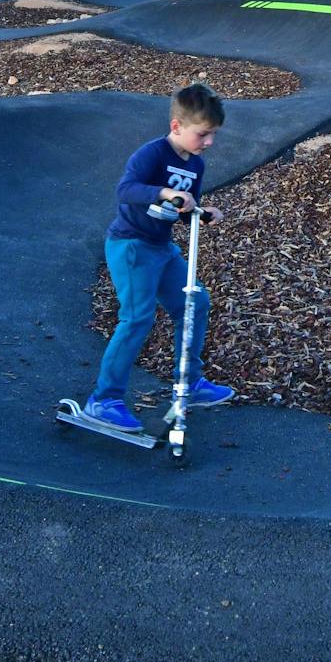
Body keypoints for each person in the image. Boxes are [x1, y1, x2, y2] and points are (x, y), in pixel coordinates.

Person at [82, 83, 236, 432]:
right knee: (137, 318)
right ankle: (104, 399)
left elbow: (183, 208)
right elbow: (126, 191)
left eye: (213, 135)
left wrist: (200, 212)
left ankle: (190, 383)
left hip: (162, 247)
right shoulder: (151, 154)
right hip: (132, 245)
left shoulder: (195, 165)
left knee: (195, 302)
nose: (209, 142)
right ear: (177, 126)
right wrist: (165, 191)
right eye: (203, 134)